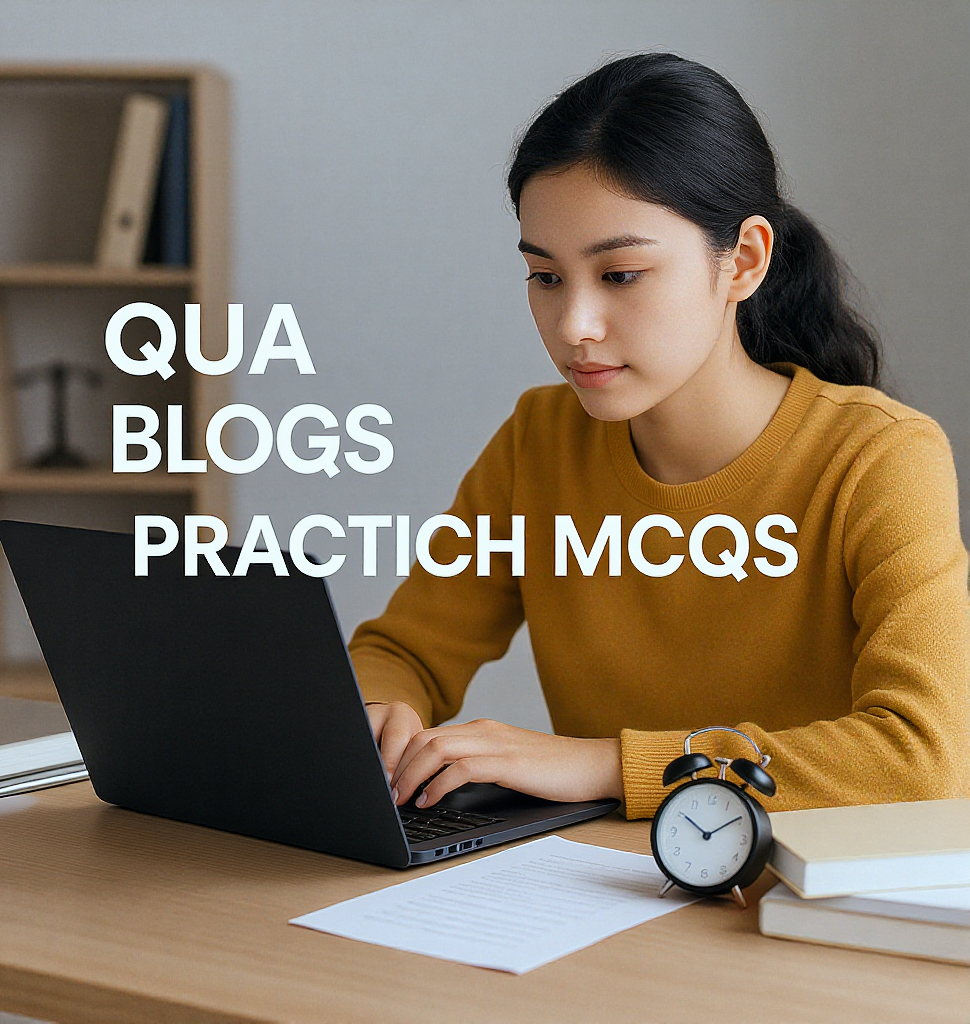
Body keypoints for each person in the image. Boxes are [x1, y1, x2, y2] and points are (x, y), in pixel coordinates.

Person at [349, 52, 970, 819]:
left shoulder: (880, 457)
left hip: (792, 885)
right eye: (546, 277)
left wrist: (608, 764)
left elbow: (923, 759)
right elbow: (402, 652)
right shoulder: (539, 442)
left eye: (620, 275)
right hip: (604, 876)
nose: (574, 325)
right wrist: (380, 714)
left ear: (743, 261)